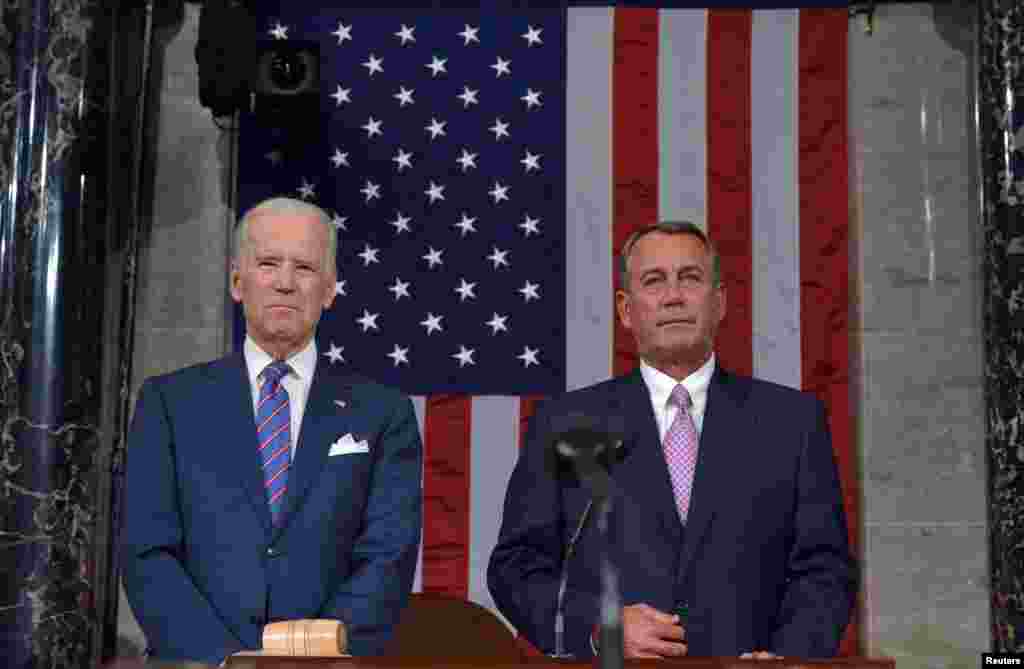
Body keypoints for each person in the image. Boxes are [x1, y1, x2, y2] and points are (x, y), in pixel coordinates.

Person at [488, 221, 855, 659]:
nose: (674, 296)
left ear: (719, 302)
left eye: (690, 278)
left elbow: (824, 568)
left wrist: (789, 658)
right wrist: (598, 629)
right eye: (654, 281)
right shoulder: (565, 421)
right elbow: (518, 567)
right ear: (626, 310)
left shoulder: (792, 422)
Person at [121, 197, 422, 664]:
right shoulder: (168, 403)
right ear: (237, 282)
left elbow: (387, 559)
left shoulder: (384, 413)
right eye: (268, 264)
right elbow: (148, 554)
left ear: (329, 289)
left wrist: (309, 657)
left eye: (304, 267)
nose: (285, 282)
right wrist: (226, 661)